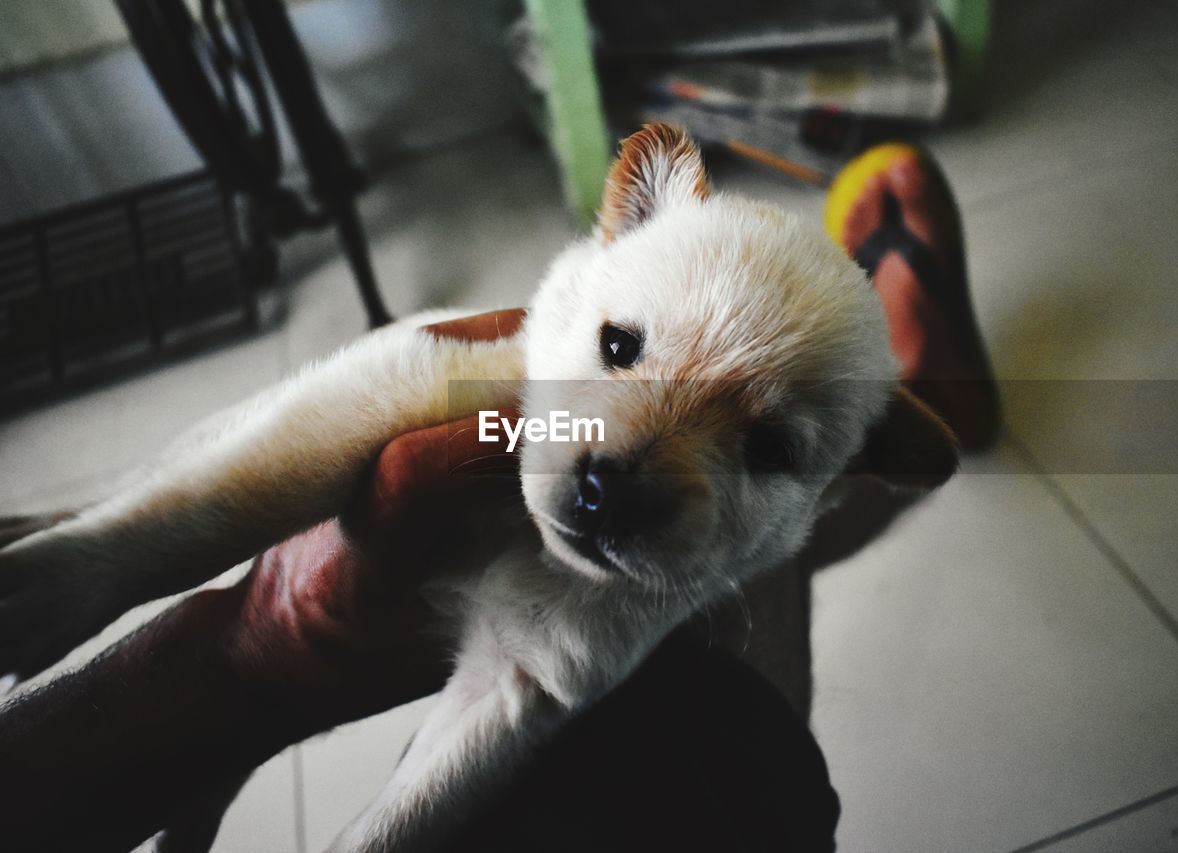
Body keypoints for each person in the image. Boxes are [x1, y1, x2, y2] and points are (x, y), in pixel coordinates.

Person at [0, 144, 997, 852]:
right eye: (621, 348)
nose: (623, 466)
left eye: (771, 440)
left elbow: (522, 686)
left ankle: (893, 412)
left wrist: (240, 639)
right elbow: (345, 409)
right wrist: (103, 562)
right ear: (604, 256)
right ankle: (908, 395)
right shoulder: (503, 374)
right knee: (712, 696)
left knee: (725, 580)